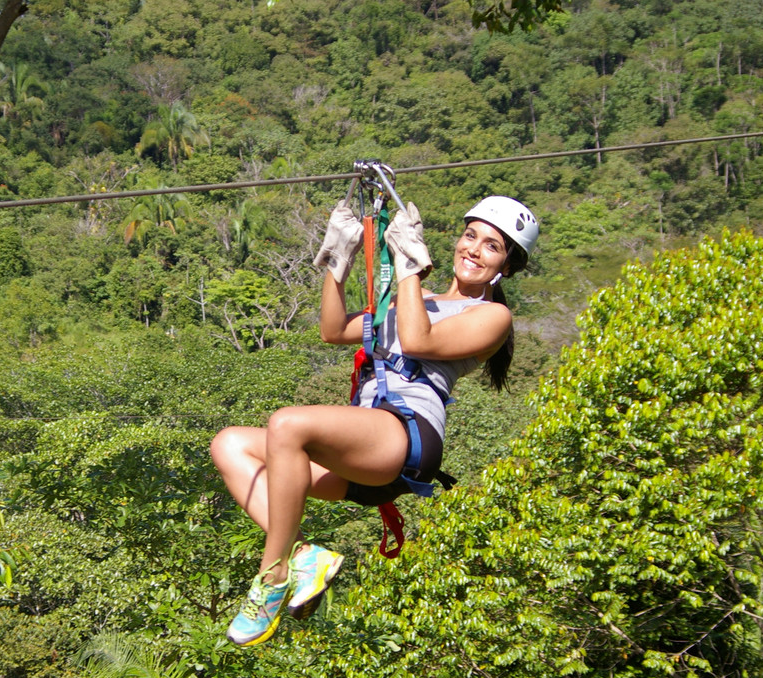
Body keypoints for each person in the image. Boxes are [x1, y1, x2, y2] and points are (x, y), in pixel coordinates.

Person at [210, 194, 539, 647]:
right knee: (229, 443)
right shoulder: (417, 295)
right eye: (470, 236)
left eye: (492, 246)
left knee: (288, 425)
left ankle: (273, 576)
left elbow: (417, 339)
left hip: (406, 434)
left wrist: (406, 268)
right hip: (365, 445)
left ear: (506, 264)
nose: (474, 250)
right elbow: (332, 330)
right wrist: (338, 260)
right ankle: (304, 554)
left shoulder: (492, 316)